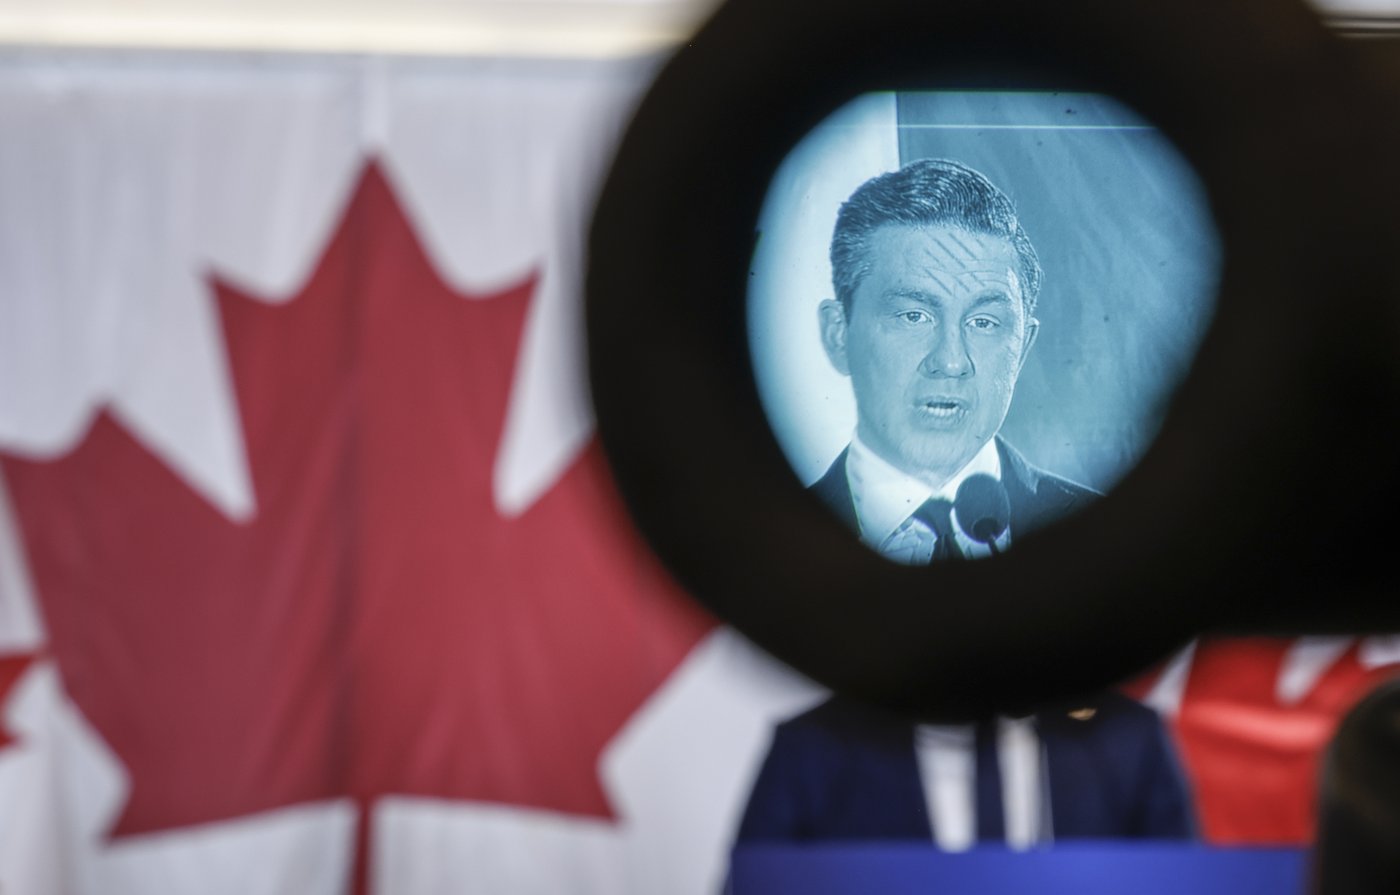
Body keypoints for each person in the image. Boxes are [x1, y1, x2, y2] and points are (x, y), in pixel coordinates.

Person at [735, 159, 1194, 848]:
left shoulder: (1102, 542)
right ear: (838, 332)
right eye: (914, 314)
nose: (950, 360)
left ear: (1024, 342)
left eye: (984, 321)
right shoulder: (762, 553)